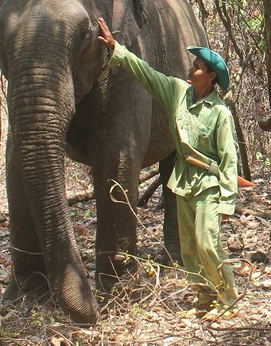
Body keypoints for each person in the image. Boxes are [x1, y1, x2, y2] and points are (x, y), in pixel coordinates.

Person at [96, 18, 239, 309]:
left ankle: (228, 300)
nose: (191, 69)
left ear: (210, 76)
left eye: (197, 67)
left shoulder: (220, 113)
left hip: (209, 186)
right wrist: (116, 49)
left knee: (207, 243)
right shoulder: (177, 92)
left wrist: (227, 202)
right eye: (193, 64)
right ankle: (205, 299)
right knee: (189, 249)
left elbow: (229, 160)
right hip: (183, 182)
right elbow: (146, 73)